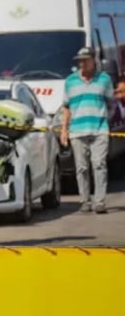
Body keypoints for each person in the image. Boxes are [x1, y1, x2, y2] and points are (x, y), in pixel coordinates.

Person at [60, 47, 114, 214]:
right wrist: (64, 130)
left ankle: (99, 201)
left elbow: (110, 103)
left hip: (99, 130)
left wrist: (105, 120)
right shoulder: (70, 81)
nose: (82, 63)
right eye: (80, 61)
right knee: (82, 168)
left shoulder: (104, 79)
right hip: (77, 131)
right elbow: (66, 108)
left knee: (99, 164)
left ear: (93, 61)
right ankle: (85, 200)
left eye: (85, 60)